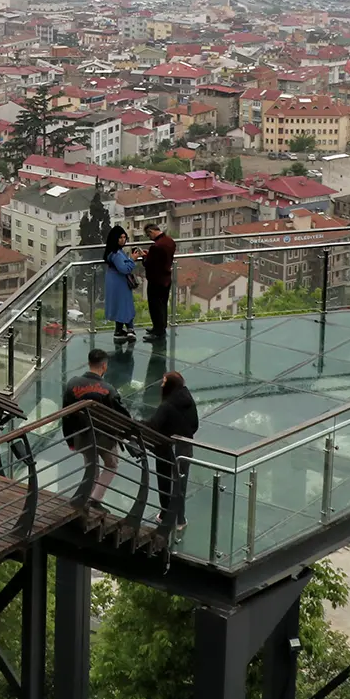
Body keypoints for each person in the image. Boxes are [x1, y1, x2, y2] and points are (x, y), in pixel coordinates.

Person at [61, 347, 131, 506]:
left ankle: (83, 499)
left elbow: (66, 414)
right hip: (105, 438)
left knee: (91, 467)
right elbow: (122, 415)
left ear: (88, 363)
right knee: (112, 465)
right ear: (104, 366)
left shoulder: (73, 384)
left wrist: (70, 440)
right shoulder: (108, 390)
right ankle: (94, 499)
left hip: (81, 436)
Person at [145, 370, 199, 533]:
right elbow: (194, 425)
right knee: (180, 484)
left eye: (164, 382)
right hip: (185, 448)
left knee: (165, 482)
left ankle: (166, 514)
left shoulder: (166, 406)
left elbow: (154, 426)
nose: (161, 385)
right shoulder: (188, 399)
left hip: (165, 449)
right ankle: (180, 519)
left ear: (170, 385)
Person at [139, 222, 176, 342]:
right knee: (163, 305)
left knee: (155, 306)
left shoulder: (156, 247)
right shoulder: (170, 241)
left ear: (151, 232)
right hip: (166, 278)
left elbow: (150, 265)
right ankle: (160, 328)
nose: (150, 238)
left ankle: (158, 331)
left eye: (149, 236)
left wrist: (145, 257)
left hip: (156, 280)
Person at [102, 224, 139, 342]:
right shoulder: (117, 254)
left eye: (124, 237)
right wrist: (132, 259)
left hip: (114, 280)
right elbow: (124, 268)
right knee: (125, 304)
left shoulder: (114, 252)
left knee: (119, 304)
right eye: (120, 238)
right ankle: (130, 329)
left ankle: (119, 330)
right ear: (115, 239)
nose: (123, 240)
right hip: (120, 281)